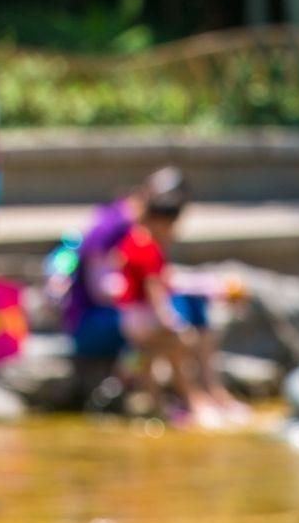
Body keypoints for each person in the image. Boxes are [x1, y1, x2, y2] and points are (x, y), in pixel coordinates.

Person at [61, 168, 238, 421]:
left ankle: (201, 393)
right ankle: (189, 398)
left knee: (189, 311)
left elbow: (157, 280)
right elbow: (108, 288)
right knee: (173, 335)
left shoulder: (141, 237)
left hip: (132, 313)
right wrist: (159, 311)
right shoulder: (118, 230)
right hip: (98, 319)